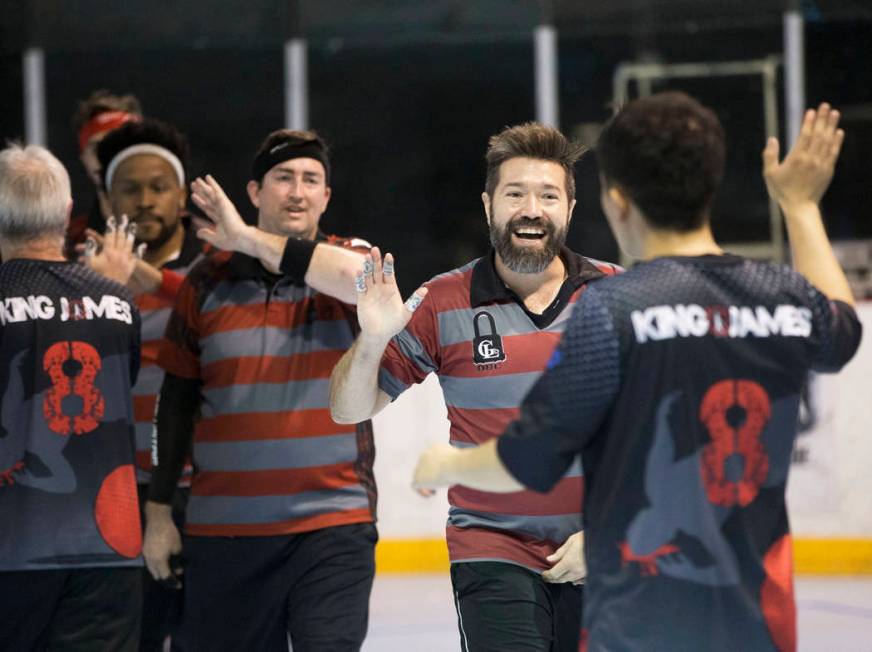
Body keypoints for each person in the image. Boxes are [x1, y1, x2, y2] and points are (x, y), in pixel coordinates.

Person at [412, 95, 862, 651]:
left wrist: (446, 463)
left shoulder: (618, 307)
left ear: (616, 201)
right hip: (759, 603)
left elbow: (531, 454)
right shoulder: (779, 295)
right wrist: (799, 207)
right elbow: (842, 331)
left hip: (647, 601)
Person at [329, 122, 620, 651]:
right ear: (489, 205)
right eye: (515, 194)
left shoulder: (617, 296)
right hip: (492, 547)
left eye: (548, 195)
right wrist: (371, 340)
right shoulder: (443, 300)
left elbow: (659, 434)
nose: (531, 208)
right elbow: (348, 410)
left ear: (570, 210)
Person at [143, 129, 377, 651]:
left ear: (326, 197)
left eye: (310, 180)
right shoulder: (206, 282)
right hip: (223, 534)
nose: (297, 191)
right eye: (283, 178)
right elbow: (175, 405)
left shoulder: (349, 257)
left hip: (331, 526)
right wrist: (159, 513)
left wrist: (246, 238)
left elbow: (366, 284)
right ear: (254, 192)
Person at [0, 144, 143, 650]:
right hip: (108, 546)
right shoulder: (119, 301)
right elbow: (120, 384)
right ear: (66, 214)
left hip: (11, 549)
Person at [81, 117, 205, 652]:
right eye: (130, 189)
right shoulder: (78, 277)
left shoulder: (218, 269)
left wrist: (151, 280)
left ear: (182, 198)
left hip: (205, 489)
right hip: (113, 493)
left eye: (159, 187)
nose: (146, 200)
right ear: (107, 200)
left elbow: (223, 311)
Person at [68, 89, 143, 248]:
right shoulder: (67, 242)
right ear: (84, 160)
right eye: (96, 147)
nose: (107, 156)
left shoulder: (197, 236)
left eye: (118, 143)